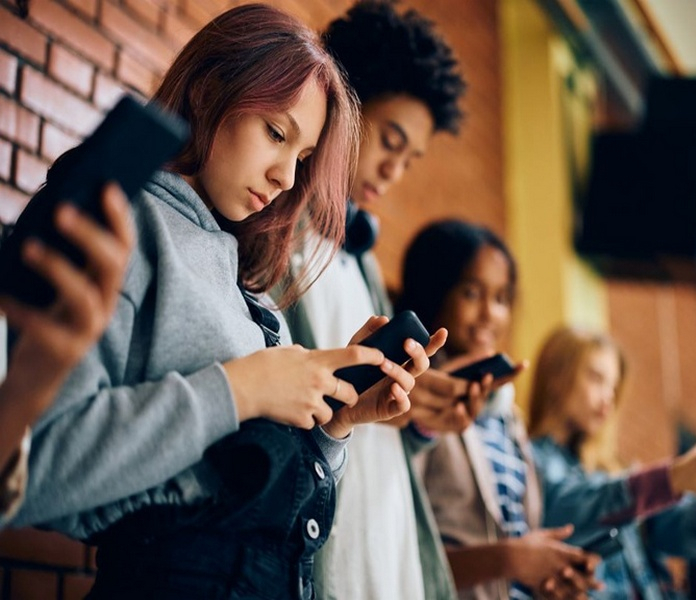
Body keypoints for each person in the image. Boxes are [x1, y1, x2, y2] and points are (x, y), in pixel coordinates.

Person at [9, 5, 444, 599]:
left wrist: (335, 426)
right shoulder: (121, 220)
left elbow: (252, 495)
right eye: (275, 133)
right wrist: (242, 388)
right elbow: (35, 468)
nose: (287, 178)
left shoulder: (244, 274)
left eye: (302, 156)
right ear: (212, 91)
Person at [282, 2, 474, 598]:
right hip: (319, 548)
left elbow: (369, 423)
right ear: (343, 99)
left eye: (410, 159)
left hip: (386, 554)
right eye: (390, 140)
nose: (394, 171)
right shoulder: (271, 235)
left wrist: (415, 417)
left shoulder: (361, 255)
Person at [397, 219, 602, 600]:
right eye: (473, 293)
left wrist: (548, 574)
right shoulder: (403, 402)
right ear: (435, 291)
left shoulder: (508, 416)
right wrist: (508, 559)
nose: (491, 314)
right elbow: (400, 555)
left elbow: (515, 542)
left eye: (502, 298)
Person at [528, 325, 696, 599]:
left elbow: (681, 532)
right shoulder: (530, 459)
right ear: (556, 376)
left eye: (613, 387)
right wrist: (674, 478)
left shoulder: (613, 469)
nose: (608, 398)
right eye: (596, 378)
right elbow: (573, 512)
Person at [0, 184, 134, 525]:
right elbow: (42, 479)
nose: (285, 180)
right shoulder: (136, 227)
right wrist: (233, 393)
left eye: (296, 163)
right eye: (274, 132)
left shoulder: (261, 307)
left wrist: (25, 391)